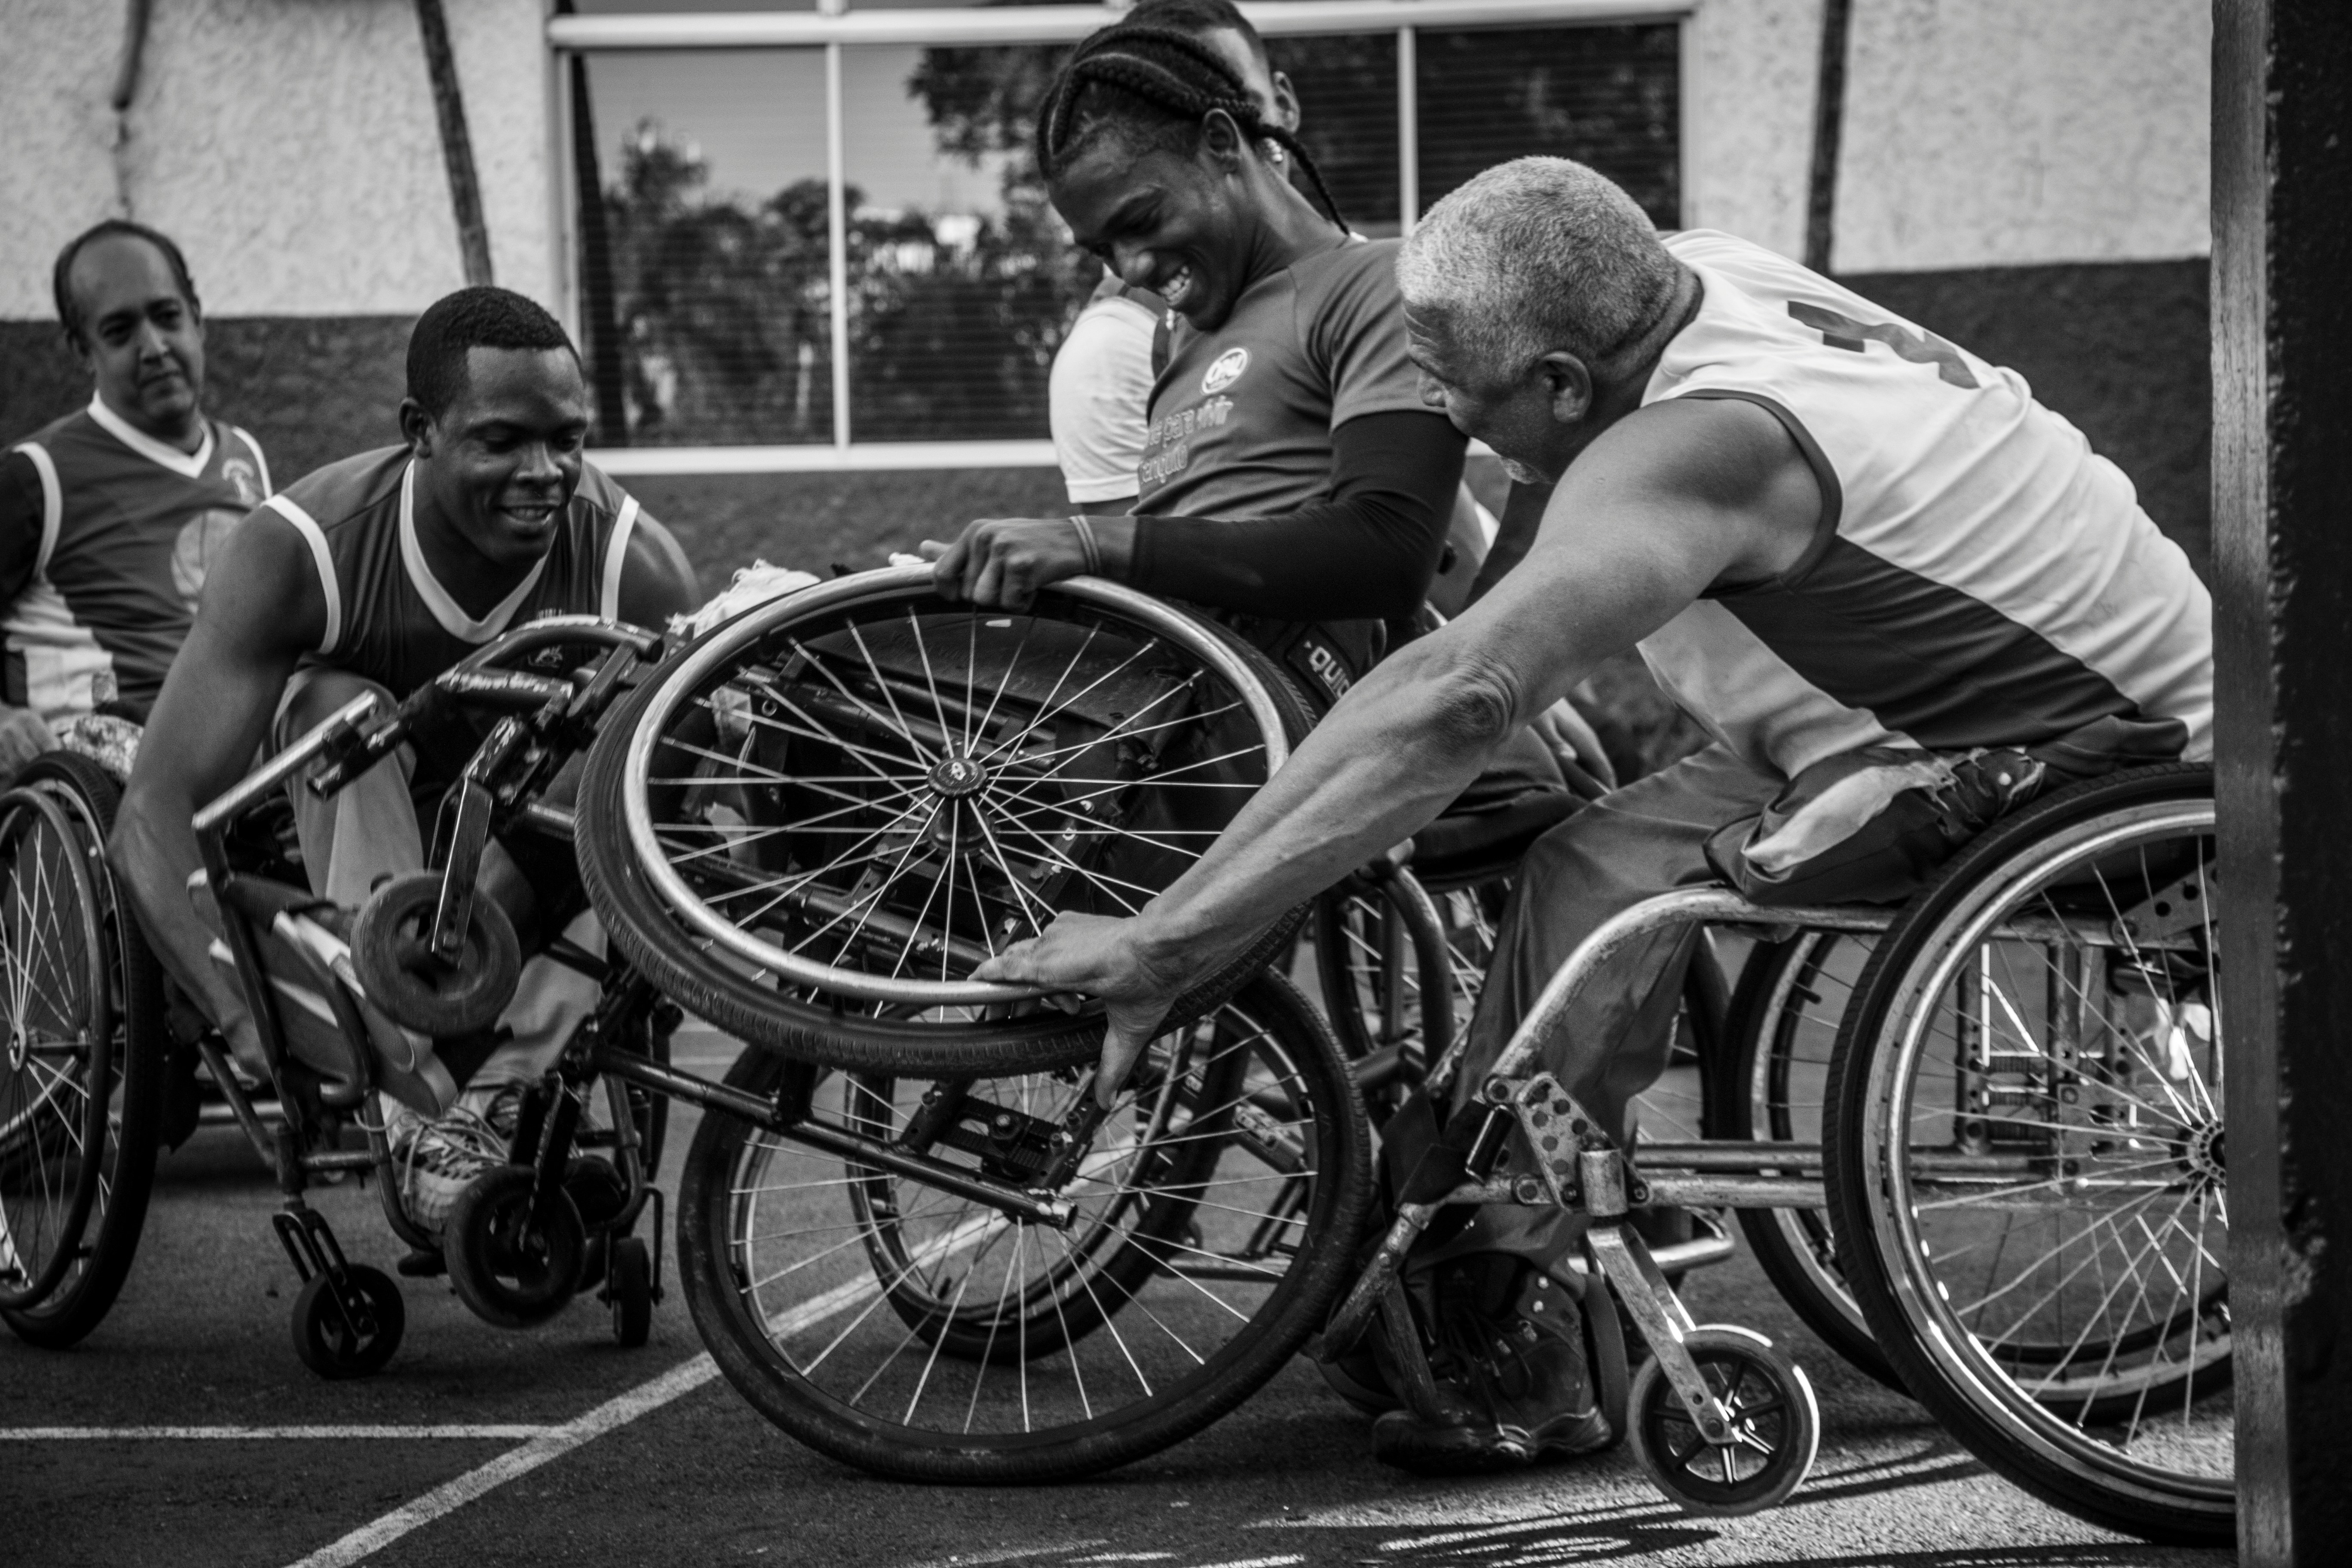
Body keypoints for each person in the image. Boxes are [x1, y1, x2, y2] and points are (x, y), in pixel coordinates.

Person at [961, 158, 2214, 1473]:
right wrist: (1510, 646)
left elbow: (1461, 696)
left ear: (1562, 383)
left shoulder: (1699, 446)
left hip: (2088, 769)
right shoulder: (1694, 282)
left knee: (1606, 902)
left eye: (1455, 385)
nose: (1441, 411)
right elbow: (1510, 611)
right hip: (2039, 703)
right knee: (1584, 855)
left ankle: (1519, 1282)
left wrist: (1165, 943)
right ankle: (1520, 1208)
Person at [113, 285, 699, 1236]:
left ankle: (513, 1095)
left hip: (518, 850)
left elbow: (669, 791)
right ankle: (420, 1107)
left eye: (568, 441)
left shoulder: (632, 565)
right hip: (348, 818)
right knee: (337, 706)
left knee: (619, 739)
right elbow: (151, 812)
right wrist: (239, 1011)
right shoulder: (302, 551)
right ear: (419, 430)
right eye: (502, 441)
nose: (545, 473)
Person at [0, 220, 270, 779]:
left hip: (251, 761)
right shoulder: (37, 476)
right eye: (120, 332)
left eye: (168, 317)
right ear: (83, 349)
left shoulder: (244, 457)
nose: (154, 347)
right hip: (112, 770)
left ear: (198, 318)